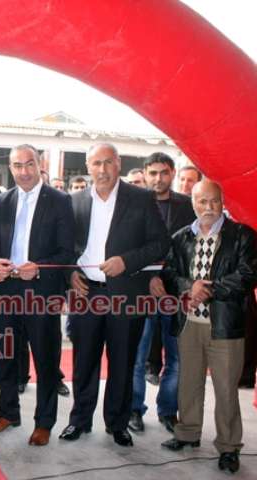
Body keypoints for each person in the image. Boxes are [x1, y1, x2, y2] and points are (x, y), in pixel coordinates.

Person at [59, 142, 169, 447]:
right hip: (86, 294)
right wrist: (70, 272)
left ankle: (118, 423)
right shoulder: (74, 200)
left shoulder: (141, 198)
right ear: (88, 167)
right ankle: (79, 420)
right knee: (84, 362)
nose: (103, 169)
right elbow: (64, 246)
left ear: (119, 164)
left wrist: (127, 261)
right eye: (96, 163)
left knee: (122, 362)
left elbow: (161, 243)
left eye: (108, 162)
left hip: (126, 294)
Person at [160, 179, 257, 475]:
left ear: (222, 201)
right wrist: (189, 287)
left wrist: (208, 290)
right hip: (189, 323)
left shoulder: (242, 235)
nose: (209, 207)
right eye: (202, 201)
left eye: (214, 200)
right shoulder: (181, 237)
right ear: (193, 203)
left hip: (225, 326)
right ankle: (188, 433)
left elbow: (247, 275)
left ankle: (228, 447)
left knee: (226, 389)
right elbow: (169, 273)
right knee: (189, 383)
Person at [0, 144, 75, 447]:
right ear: (10, 168)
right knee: (6, 355)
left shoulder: (60, 200)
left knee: (45, 358)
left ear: (39, 164)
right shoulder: (2, 201)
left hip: (41, 292)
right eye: (17, 166)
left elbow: (66, 251)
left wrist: (39, 269)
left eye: (29, 164)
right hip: (5, 290)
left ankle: (44, 422)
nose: (24, 171)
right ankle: (8, 413)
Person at [129, 152, 196, 434]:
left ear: (172, 173)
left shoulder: (188, 206)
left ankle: (168, 411)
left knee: (177, 357)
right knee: (136, 356)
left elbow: (190, 250)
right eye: (153, 173)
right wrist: (149, 278)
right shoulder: (131, 204)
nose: (158, 178)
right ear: (145, 174)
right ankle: (134, 409)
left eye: (164, 172)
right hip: (140, 292)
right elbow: (126, 247)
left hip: (176, 293)